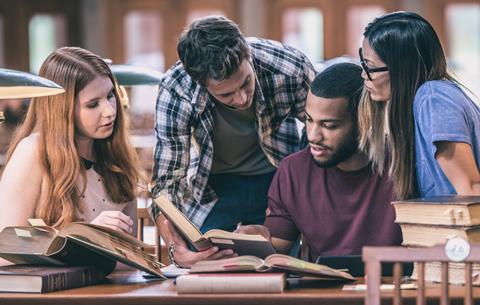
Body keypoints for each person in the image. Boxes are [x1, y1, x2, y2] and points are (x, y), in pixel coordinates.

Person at [152, 16, 315, 267]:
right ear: (201, 83)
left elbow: (323, 133)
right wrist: (176, 249)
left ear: (247, 55)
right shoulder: (176, 89)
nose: (241, 100)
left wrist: (301, 193)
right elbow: (167, 182)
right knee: (205, 262)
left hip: (277, 181)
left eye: (246, 83)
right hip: (215, 188)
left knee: (279, 267)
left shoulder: (289, 67)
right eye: (225, 94)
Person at [237, 63, 402, 260]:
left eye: (329, 125)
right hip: (323, 288)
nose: (313, 136)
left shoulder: (403, 163)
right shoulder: (292, 171)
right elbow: (276, 251)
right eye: (309, 120)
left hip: (391, 286)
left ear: (364, 122)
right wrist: (256, 238)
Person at [0, 47, 140, 244]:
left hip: (113, 275)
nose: (109, 111)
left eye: (110, 96)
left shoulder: (116, 155)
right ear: (62, 110)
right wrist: (85, 235)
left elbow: (128, 252)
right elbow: (7, 245)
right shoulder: (33, 151)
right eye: (93, 104)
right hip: (54, 275)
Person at [357, 11, 480, 200]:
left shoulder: (433, 98)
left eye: (369, 66)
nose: (364, 74)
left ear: (401, 68)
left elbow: (472, 189)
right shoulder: (430, 97)